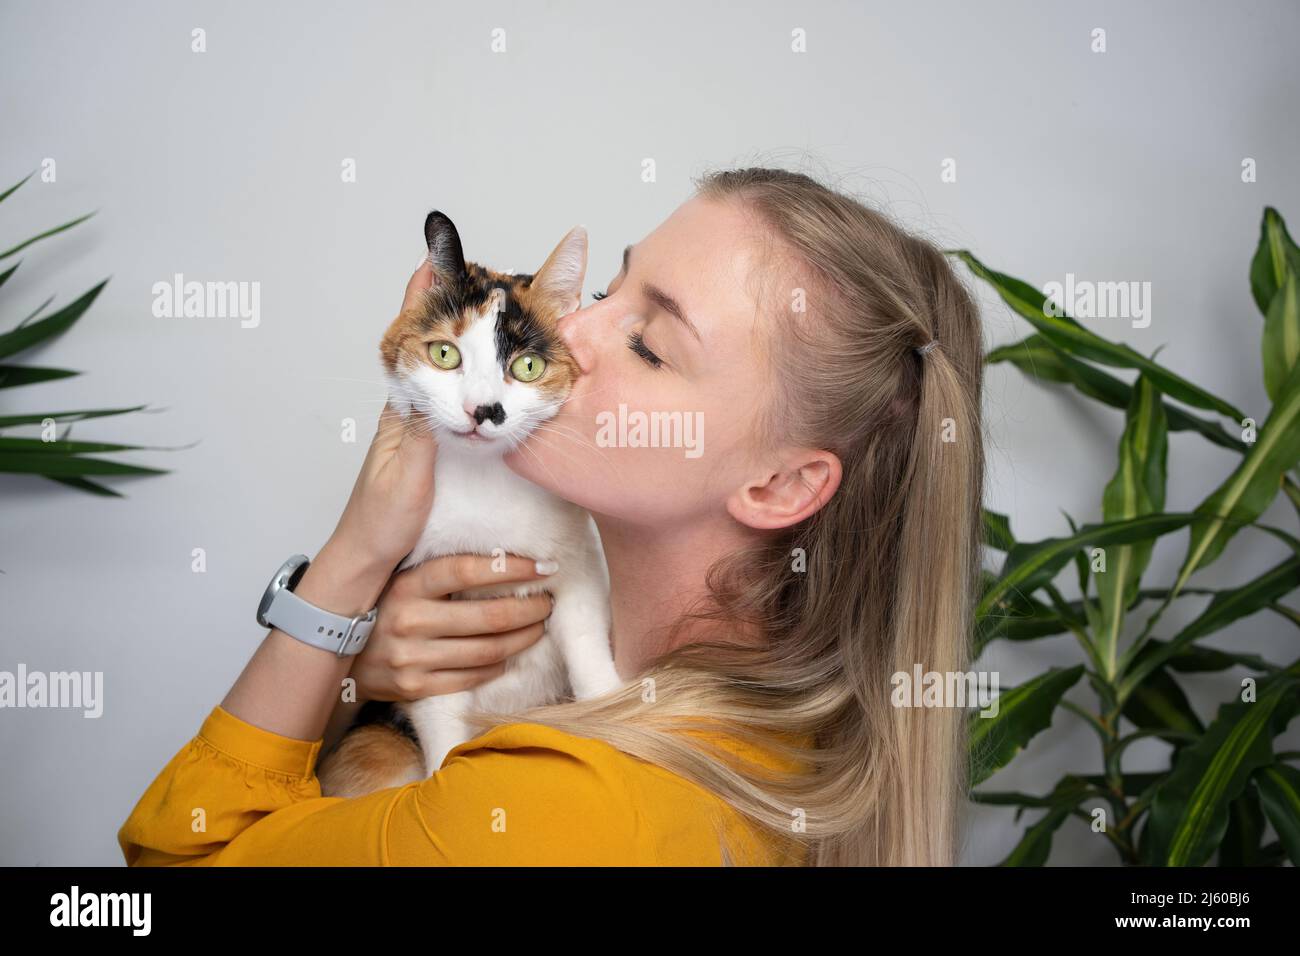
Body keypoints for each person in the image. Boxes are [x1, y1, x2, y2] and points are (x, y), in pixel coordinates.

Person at [118, 166, 985, 867]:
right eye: (607, 290)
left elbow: (170, 862)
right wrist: (359, 673)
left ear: (781, 486)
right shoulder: (772, 749)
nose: (572, 334)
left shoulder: (560, 809)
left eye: (649, 343)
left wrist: (347, 566)